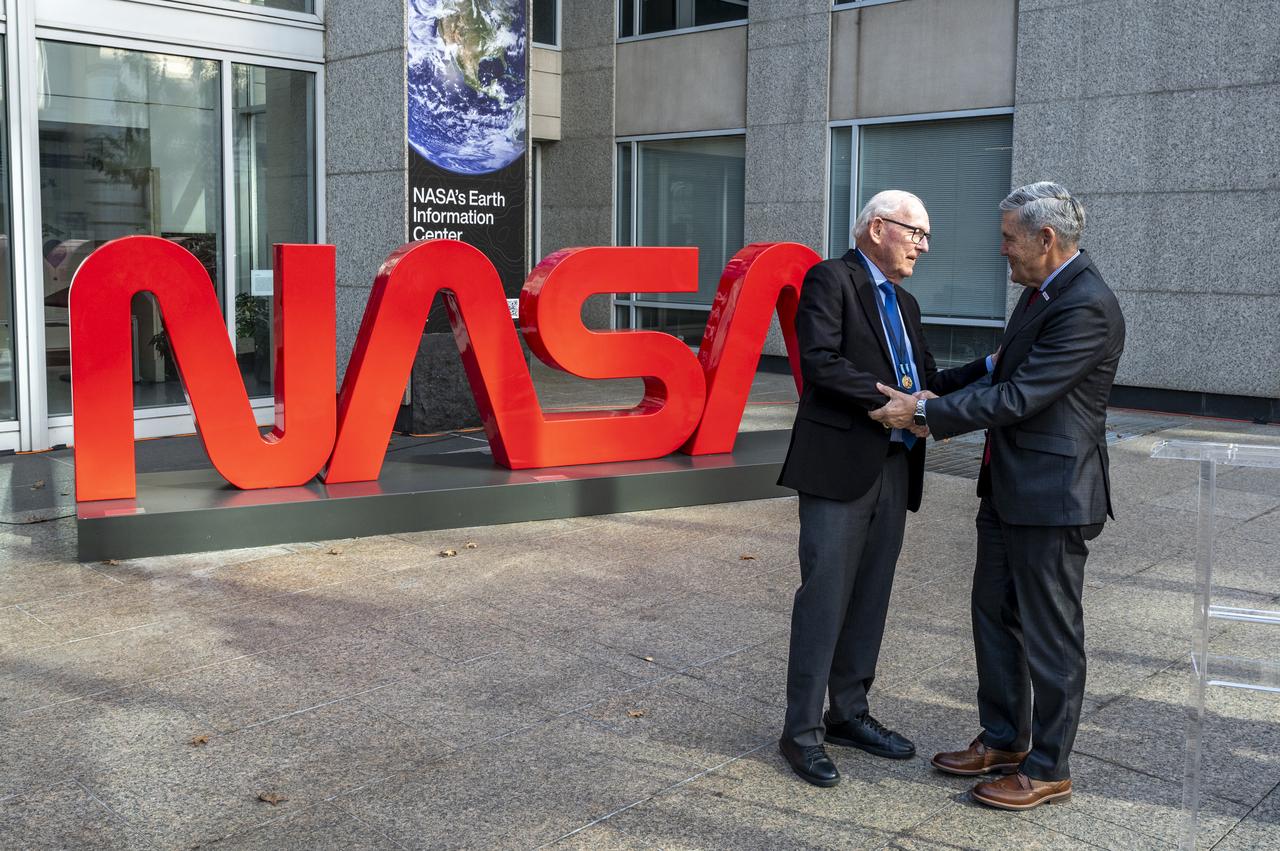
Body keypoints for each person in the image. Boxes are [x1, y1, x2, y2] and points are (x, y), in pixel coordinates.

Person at [871, 181, 1125, 810]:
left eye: (1009, 239)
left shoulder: (1085, 304)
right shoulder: (1043, 293)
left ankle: (1048, 768)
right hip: (1011, 491)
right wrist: (933, 388)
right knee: (995, 616)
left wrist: (927, 416)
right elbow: (998, 367)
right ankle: (1006, 738)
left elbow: (1021, 395)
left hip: (1054, 498)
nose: (1001, 252)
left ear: (1046, 238)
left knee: (1051, 633)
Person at [776, 190, 995, 787]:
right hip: (839, 466)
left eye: (926, 236)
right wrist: (892, 403)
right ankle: (801, 734)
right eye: (916, 232)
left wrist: (985, 368)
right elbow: (820, 362)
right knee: (824, 600)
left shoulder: (907, 303)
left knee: (870, 598)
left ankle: (848, 714)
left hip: (895, 469)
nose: (923, 246)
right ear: (878, 227)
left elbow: (924, 381)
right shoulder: (831, 279)